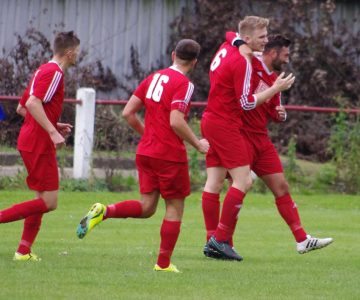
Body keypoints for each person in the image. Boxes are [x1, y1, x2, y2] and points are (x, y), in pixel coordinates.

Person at [76, 39, 209, 273]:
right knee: (175, 208)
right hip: (168, 155)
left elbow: (128, 113)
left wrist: (148, 134)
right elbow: (176, 121)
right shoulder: (185, 84)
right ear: (195, 62)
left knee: (147, 208)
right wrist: (198, 144)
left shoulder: (154, 77)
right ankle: (163, 265)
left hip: (146, 151)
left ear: (172, 55)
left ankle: (104, 211)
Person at [202, 33, 333, 259]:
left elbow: (273, 110)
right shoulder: (249, 62)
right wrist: (240, 43)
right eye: (286, 54)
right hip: (239, 135)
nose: (288, 59)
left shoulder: (274, 77)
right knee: (233, 184)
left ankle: (302, 240)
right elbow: (231, 34)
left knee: (281, 186)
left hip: (261, 139)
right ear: (272, 52)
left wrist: (280, 114)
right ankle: (219, 240)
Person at [201, 16, 295, 261]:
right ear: (250, 38)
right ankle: (220, 240)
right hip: (225, 123)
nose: (266, 41)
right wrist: (275, 89)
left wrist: (238, 40)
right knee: (243, 182)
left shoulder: (227, 46)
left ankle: (211, 239)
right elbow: (245, 103)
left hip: (210, 118)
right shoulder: (242, 62)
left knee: (214, 181)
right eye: (262, 37)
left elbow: (230, 32)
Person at [0, 31, 80, 261]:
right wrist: (52, 131)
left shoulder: (42, 70)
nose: (78, 56)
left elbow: (21, 108)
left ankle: (24, 251)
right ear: (70, 52)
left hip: (31, 140)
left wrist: (53, 124)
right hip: (38, 142)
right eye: (78, 52)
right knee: (49, 202)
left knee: (39, 200)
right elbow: (33, 103)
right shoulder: (54, 72)